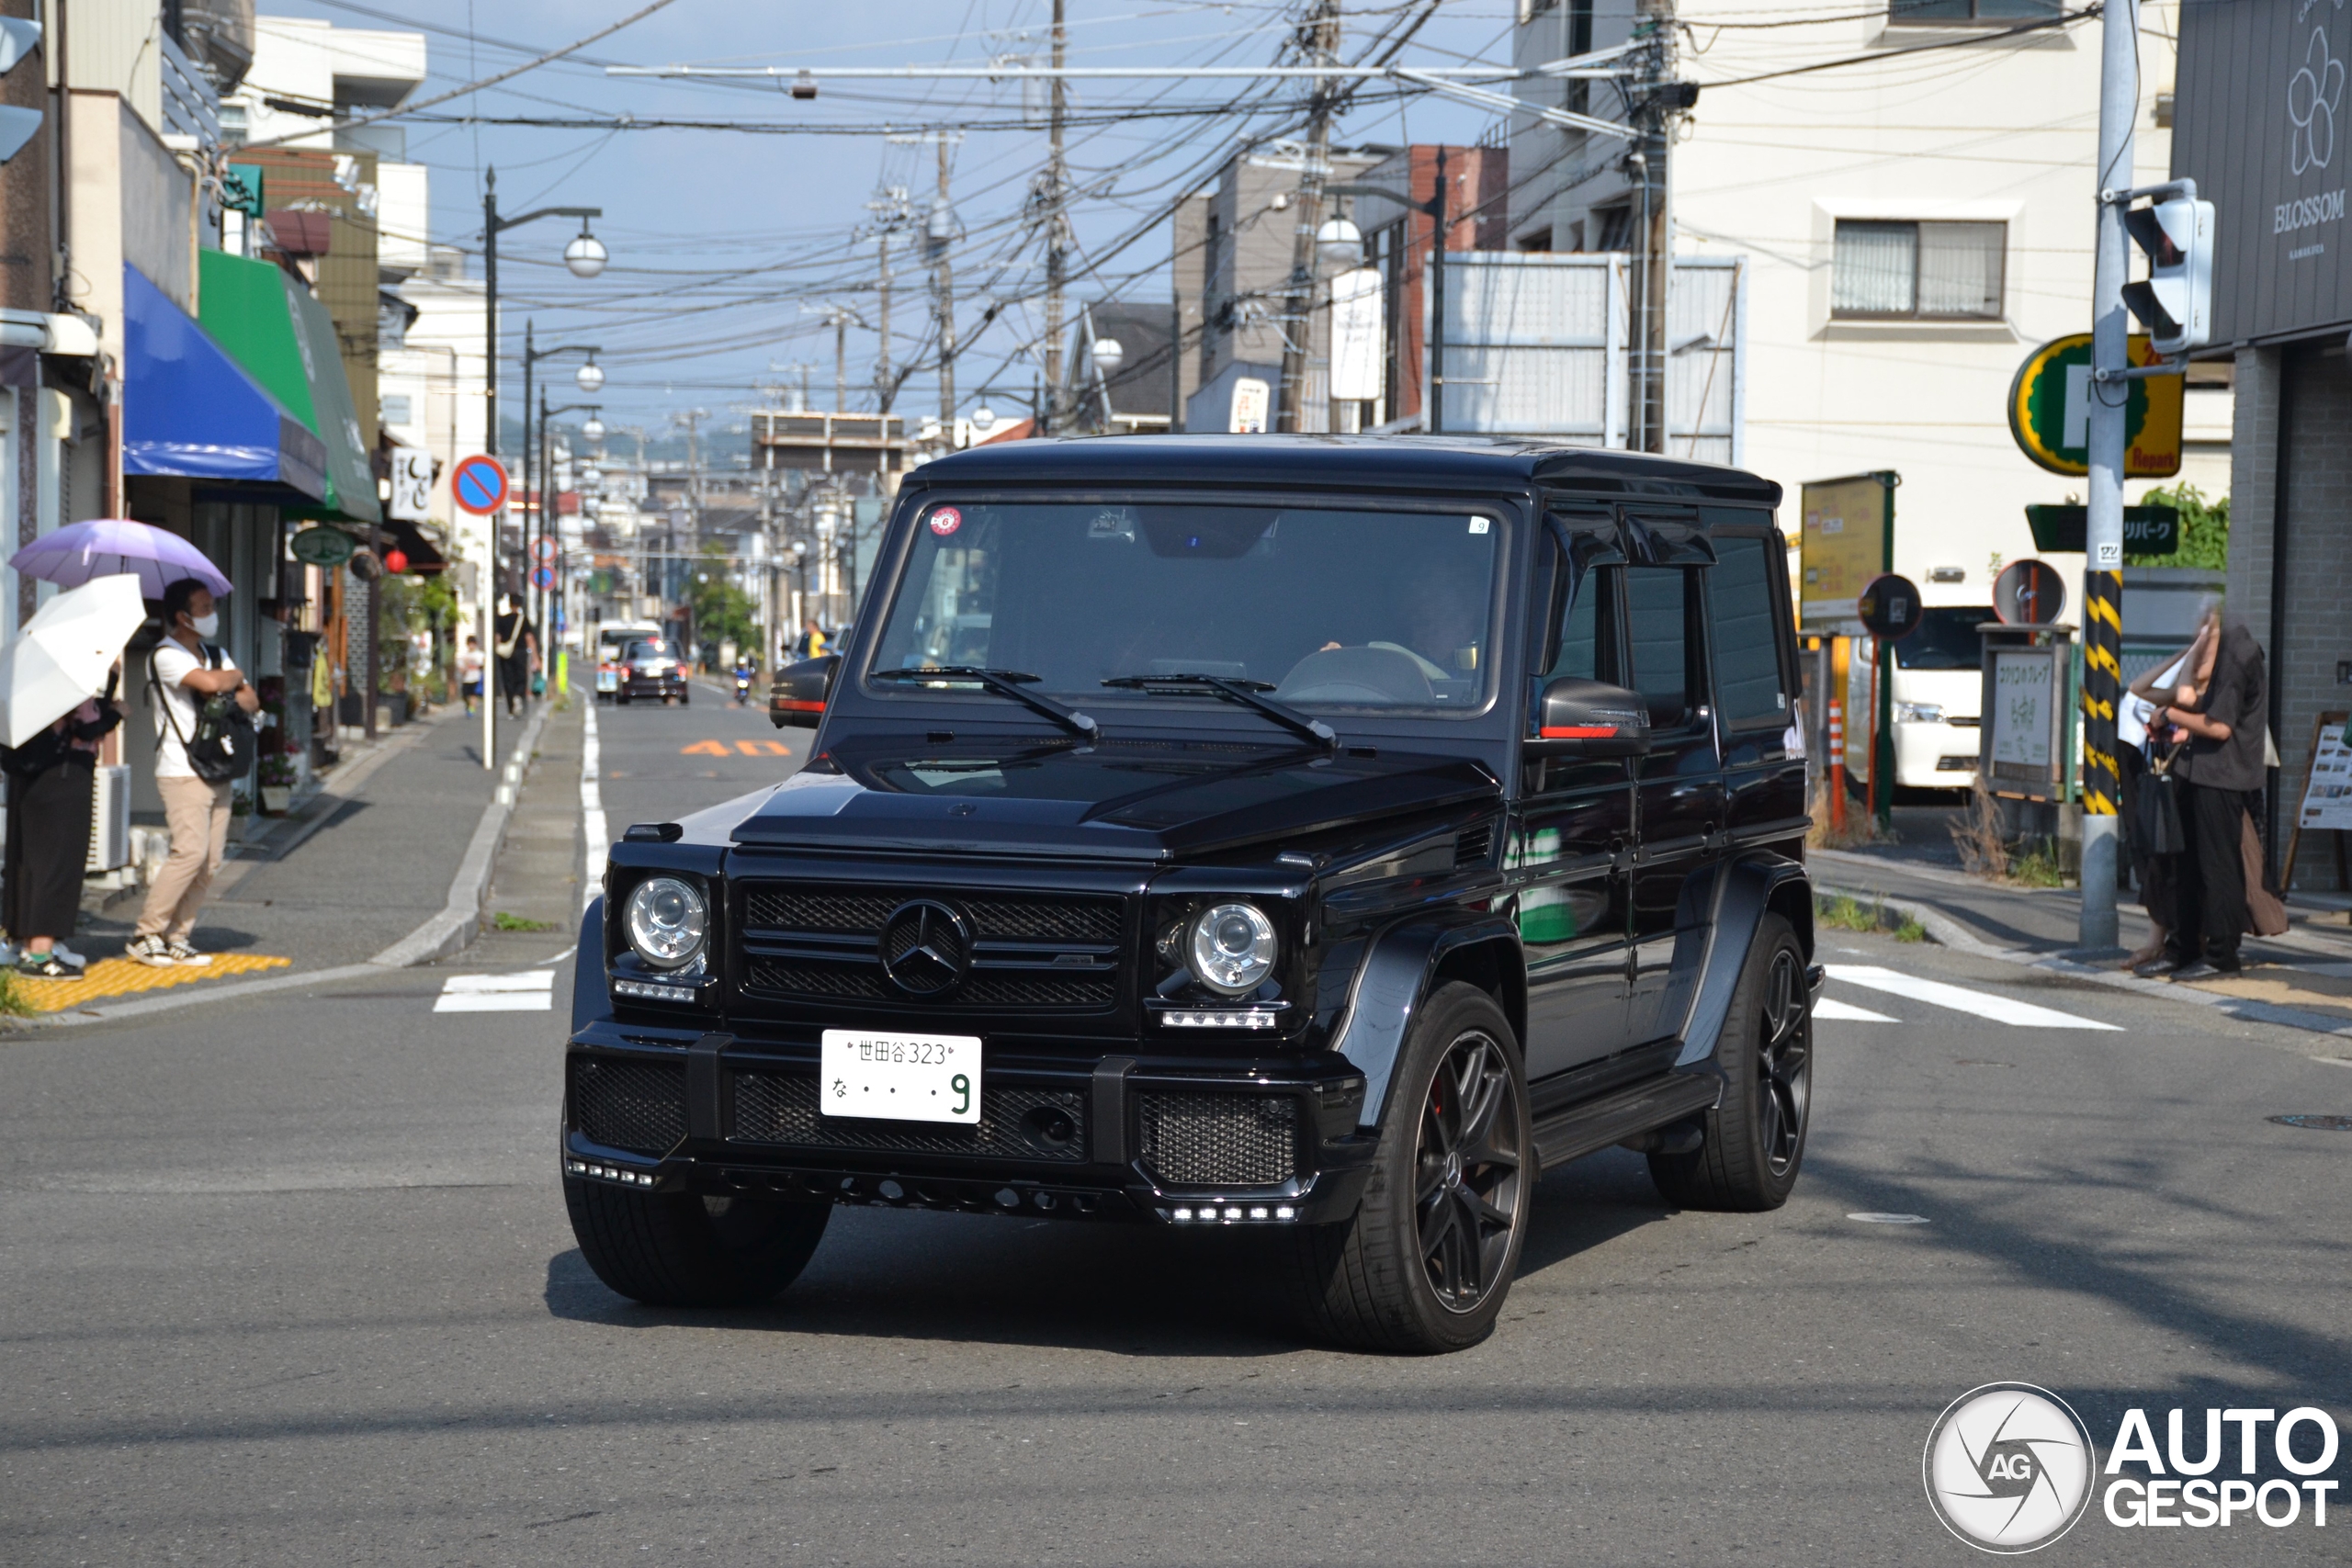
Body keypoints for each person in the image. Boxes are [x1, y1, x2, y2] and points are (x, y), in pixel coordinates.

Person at [129, 579, 258, 967]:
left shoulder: (215, 652)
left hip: (219, 766)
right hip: (182, 768)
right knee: (189, 852)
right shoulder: (166, 655)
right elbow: (209, 682)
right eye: (204, 608)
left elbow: (250, 701)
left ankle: (178, 936)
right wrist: (230, 679)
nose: (212, 613)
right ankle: (147, 932)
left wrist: (229, 681)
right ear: (182, 616)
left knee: (211, 860)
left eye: (211, 606)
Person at [2144, 613, 2267, 980]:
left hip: (2223, 775)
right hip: (2193, 769)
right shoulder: (2213, 652)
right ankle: (2182, 949)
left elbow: (2220, 727)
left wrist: (2169, 715)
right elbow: (2186, 695)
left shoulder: (2236, 654)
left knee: (2218, 867)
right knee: (2184, 866)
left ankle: (2221, 955)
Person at [4, 681, 122, 978]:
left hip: (29, 781)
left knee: (28, 864)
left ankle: (25, 944)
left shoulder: (27, 681)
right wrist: (116, 713)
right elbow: (85, 728)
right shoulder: (71, 683)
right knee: (59, 864)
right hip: (65, 780)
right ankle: (40, 953)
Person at [492, 592, 537, 716]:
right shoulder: (524, 620)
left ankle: (511, 708)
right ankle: (518, 695)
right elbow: (529, 638)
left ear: (510, 603)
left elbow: (498, 637)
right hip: (521, 652)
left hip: (505, 653)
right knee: (521, 677)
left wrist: (495, 650)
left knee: (508, 679)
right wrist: (535, 658)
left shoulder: (502, 619)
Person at [458, 635, 485, 716]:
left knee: (473, 695)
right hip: (466, 678)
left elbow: (483, 664)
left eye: (473, 644)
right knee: (465, 695)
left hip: (476, 678)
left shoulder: (480, 654)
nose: (471, 646)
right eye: (470, 644)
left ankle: (472, 710)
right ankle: (468, 706)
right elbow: (461, 667)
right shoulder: (464, 656)